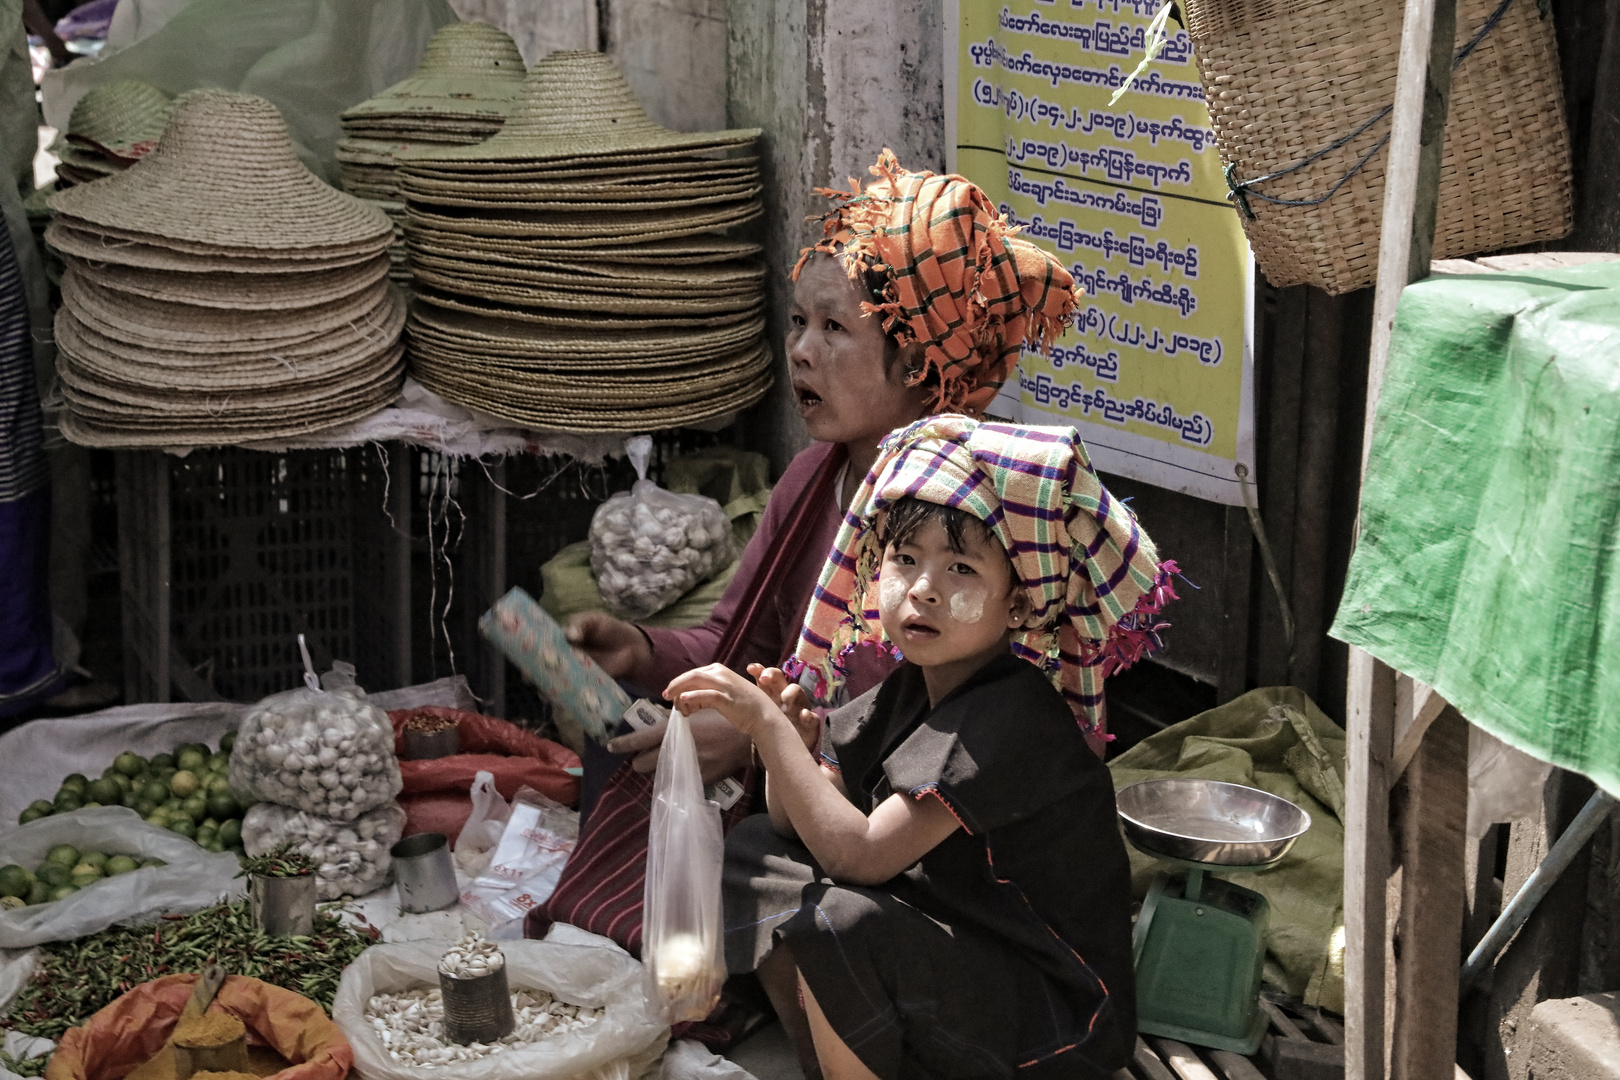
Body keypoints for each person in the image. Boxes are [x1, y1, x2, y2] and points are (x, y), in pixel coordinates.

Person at [665, 416, 1177, 1079]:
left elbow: (861, 855)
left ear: (1018, 606)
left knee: (838, 921)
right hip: (950, 953)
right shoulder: (909, 689)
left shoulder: (1013, 716)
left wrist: (763, 727)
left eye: (960, 567)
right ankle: (828, 1063)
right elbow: (802, 824)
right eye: (905, 559)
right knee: (756, 851)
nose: (924, 587)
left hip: (1054, 1019)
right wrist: (789, 744)